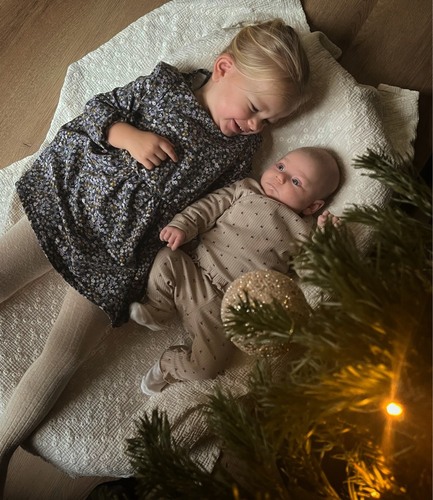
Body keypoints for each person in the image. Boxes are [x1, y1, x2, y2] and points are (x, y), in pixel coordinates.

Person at [0, 19, 310, 488]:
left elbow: (215, 213)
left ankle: (3, 450)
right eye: (253, 109)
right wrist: (128, 136)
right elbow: (101, 110)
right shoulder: (166, 86)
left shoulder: (240, 154)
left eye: (268, 121)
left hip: (121, 256)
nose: (254, 125)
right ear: (223, 68)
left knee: (63, 354)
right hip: (76, 203)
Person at [130, 146, 341, 394]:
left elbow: (308, 275)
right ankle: (159, 306)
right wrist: (182, 226)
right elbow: (207, 207)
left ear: (312, 207)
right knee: (167, 256)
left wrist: (325, 242)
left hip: (225, 308)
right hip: (194, 270)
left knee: (208, 367)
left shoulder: (303, 232)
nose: (280, 177)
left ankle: (168, 366)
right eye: (281, 166)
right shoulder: (247, 189)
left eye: (295, 181)